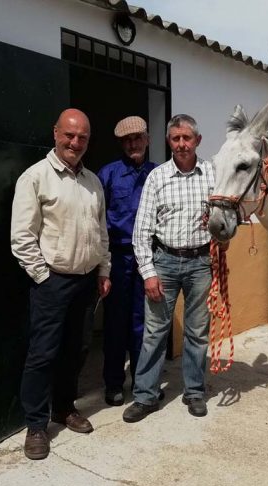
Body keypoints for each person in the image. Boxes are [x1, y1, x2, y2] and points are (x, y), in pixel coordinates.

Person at [10, 108, 111, 460]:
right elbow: (22, 237)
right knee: (43, 355)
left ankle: (64, 408)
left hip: (86, 283)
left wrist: (103, 271)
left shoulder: (93, 182)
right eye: (69, 135)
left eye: (82, 137)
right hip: (53, 283)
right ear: (55, 133)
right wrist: (43, 277)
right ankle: (36, 426)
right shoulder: (36, 178)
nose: (75, 142)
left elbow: (101, 233)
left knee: (77, 349)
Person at [122, 114, 215, 423]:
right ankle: (145, 396)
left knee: (198, 331)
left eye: (186, 138)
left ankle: (194, 392)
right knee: (154, 332)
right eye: (175, 139)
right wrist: (148, 273)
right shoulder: (157, 177)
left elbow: (230, 215)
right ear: (168, 142)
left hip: (201, 262)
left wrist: (219, 231)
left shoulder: (213, 175)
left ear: (197, 141)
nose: (181, 144)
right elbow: (142, 231)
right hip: (163, 262)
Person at [97, 116, 157, 406]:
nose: (133, 143)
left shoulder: (158, 175)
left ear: (147, 139)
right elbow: (96, 220)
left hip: (148, 258)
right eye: (127, 140)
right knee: (115, 324)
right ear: (122, 143)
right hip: (118, 258)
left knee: (143, 323)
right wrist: (102, 266)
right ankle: (113, 383)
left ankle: (142, 380)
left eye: (138, 138)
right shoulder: (107, 174)